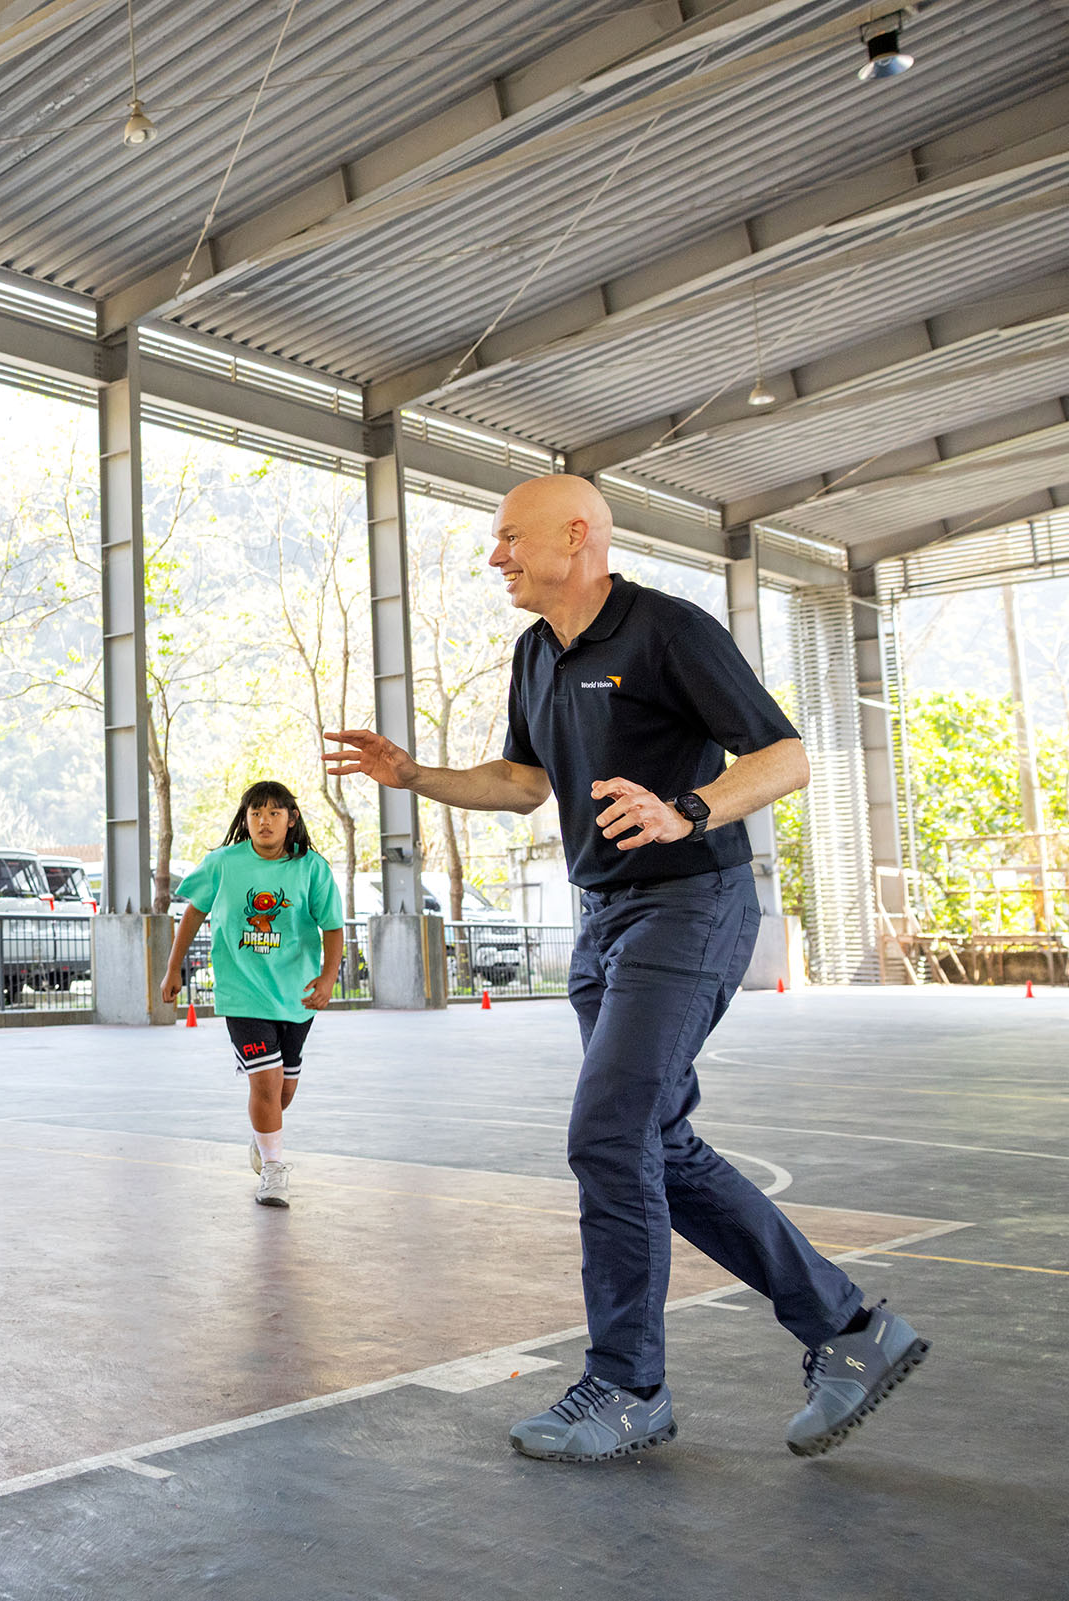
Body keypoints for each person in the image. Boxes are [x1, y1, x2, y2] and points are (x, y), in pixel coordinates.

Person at [325, 473, 925, 1464]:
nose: (496, 557)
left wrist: (685, 807)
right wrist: (414, 773)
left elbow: (783, 756)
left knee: (609, 1129)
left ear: (577, 535)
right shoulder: (535, 653)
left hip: (689, 903)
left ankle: (628, 1383)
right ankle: (853, 1330)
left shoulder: (667, 630)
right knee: (656, 1143)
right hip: (603, 921)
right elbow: (524, 782)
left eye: (510, 537)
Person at [159, 781, 344, 1208]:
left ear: (290, 819)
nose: (265, 821)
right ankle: (275, 1171)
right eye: (256, 813)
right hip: (242, 994)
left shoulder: (311, 868)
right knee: (265, 1081)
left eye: (274, 813)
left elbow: (333, 926)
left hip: (295, 995)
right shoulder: (223, 864)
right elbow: (193, 912)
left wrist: (328, 978)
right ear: (246, 820)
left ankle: (263, 1140)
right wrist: (174, 968)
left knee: (283, 1092)